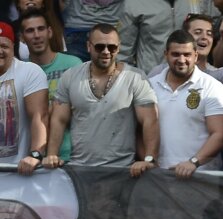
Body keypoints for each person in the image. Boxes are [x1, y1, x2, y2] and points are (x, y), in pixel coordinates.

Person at [44, 24, 159, 175]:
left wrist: (149, 159)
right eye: (100, 47)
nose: (106, 52)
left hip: (122, 170)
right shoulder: (70, 76)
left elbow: (150, 120)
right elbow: (59, 119)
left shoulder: (136, 78)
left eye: (112, 47)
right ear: (88, 46)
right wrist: (52, 155)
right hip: (79, 170)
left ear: (118, 48)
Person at [150, 30, 223, 178]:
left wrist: (193, 162)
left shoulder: (212, 87)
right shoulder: (150, 85)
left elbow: (220, 134)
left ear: (196, 56)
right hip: (158, 176)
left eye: (187, 54)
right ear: (165, 54)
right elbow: (140, 129)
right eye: (175, 54)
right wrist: (150, 160)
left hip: (200, 177)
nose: (181, 60)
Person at [19, 9, 82, 163]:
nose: (36, 35)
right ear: (22, 38)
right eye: (30, 31)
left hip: (70, 155)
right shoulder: (19, 70)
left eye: (41, 29)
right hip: (31, 158)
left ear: (50, 32)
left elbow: (82, 109)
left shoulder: (73, 64)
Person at [0, 20, 49, 175]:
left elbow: (39, 116)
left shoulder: (29, 71)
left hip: (18, 172)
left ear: (13, 47)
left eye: (4, 46)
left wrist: (35, 155)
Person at [117, 0, 216, 69]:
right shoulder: (134, 3)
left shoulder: (198, 2)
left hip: (192, 80)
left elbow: (212, 28)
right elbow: (122, 52)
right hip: (150, 81)